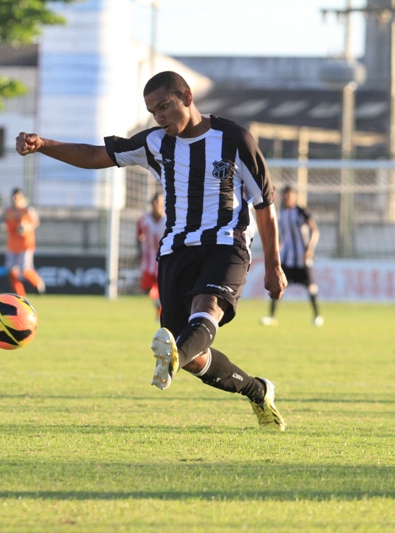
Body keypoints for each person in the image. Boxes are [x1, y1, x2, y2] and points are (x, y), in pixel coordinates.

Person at [16, 71, 288, 431]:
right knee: (191, 354)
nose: (159, 117)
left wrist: (274, 265)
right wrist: (43, 145)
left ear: (186, 97)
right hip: (176, 249)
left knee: (206, 308)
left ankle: (172, 360)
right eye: (153, 111)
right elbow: (95, 155)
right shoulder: (154, 143)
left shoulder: (234, 138)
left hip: (227, 242)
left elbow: (265, 204)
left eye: (164, 106)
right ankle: (257, 390)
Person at [260, 185, 323, 327]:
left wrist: (310, 249)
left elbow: (315, 231)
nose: (287, 197)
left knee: (311, 287)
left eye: (290, 195)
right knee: (278, 285)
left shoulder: (301, 212)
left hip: (301, 258)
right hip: (286, 258)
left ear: (295, 196)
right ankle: (271, 316)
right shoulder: (280, 213)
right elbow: (280, 236)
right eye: (285, 195)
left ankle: (317, 316)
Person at [2, 188, 45, 297]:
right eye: (14, 197)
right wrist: (2, 226)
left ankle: (38, 283)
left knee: (25, 270)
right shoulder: (8, 211)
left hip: (25, 245)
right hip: (12, 245)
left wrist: (26, 226)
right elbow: (2, 222)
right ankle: (20, 295)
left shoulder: (27, 210)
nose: (15, 199)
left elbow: (36, 221)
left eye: (17, 197)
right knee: (11, 272)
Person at [136, 192, 166, 319]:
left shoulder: (168, 220)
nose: (155, 203)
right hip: (148, 261)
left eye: (158, 201)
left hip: (163, 260)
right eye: (154, 201)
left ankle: (161, 311)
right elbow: (138, 236)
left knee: (163, 288)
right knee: (146, 289)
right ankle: (159, 306)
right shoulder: (143, 220)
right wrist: (139, 251)